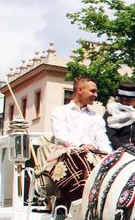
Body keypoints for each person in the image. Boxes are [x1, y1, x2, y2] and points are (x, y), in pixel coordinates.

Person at [47, 76, 112, 206]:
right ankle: (80, 205)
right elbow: (61, 135)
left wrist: (110, 155)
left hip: (92, 157)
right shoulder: (60, 112)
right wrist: (82, 146)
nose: (96, 95)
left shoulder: (96, 118)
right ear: (80, 90)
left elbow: (102, 139)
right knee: (79, 157)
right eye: (93, 91)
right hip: (66, 155)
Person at [104, 82, 135, 150]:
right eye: (121, 99)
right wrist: (125, 150)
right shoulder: (111, 112)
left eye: (128, 100)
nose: (124, 102)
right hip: (116, 151)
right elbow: (110, 135)